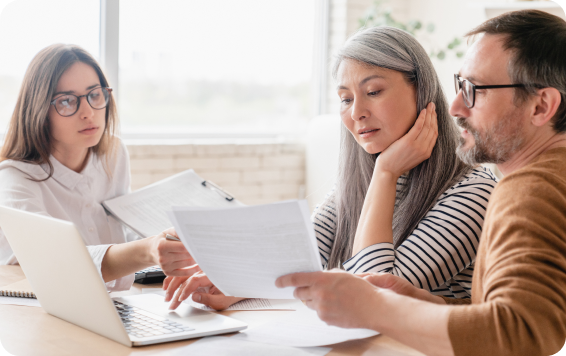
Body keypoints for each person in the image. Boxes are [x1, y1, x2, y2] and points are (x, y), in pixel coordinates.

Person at [276, 9, 566, 356]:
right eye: (460, 86)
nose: (455, 105)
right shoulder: (541, 182)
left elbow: (523, 336)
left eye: (474, 89)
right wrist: (431, 304)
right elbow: (538, 321)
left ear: (541, 106)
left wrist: (377, 307)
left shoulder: (527, 190)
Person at [164, 26, 497, 310]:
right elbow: (302, 256)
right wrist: (236, 283)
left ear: (421, 90)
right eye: (346, 99)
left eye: (373, 91)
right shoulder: (359, 181)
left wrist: (385, 173)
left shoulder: (474, 191)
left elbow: (375, 296)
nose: (357, 113)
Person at [0, 44, 194, 291]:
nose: (88, 112)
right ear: (39, 110)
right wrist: (147, 250)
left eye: (94, 95)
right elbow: (58, 263)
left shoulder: (113, 154)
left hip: (119, 303)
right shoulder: (14, 180)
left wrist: (171, 243)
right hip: (50, 312)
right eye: (67, 101)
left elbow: (122, 228)